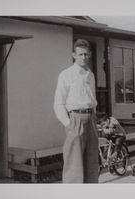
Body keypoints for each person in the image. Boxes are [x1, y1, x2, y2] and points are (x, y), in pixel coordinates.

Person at [53, 39, 98, 183]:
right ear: (74, 55)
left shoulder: (91, 75)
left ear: (89, 54)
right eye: (80, 54)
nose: (83, 57)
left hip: (91, 119)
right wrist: (68, 123)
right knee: (74, 166)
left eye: (86, 54)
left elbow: (92, 99)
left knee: (92, 164)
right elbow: (58, 103)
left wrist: (94, 117)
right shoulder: (66, 75)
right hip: (75, 120)